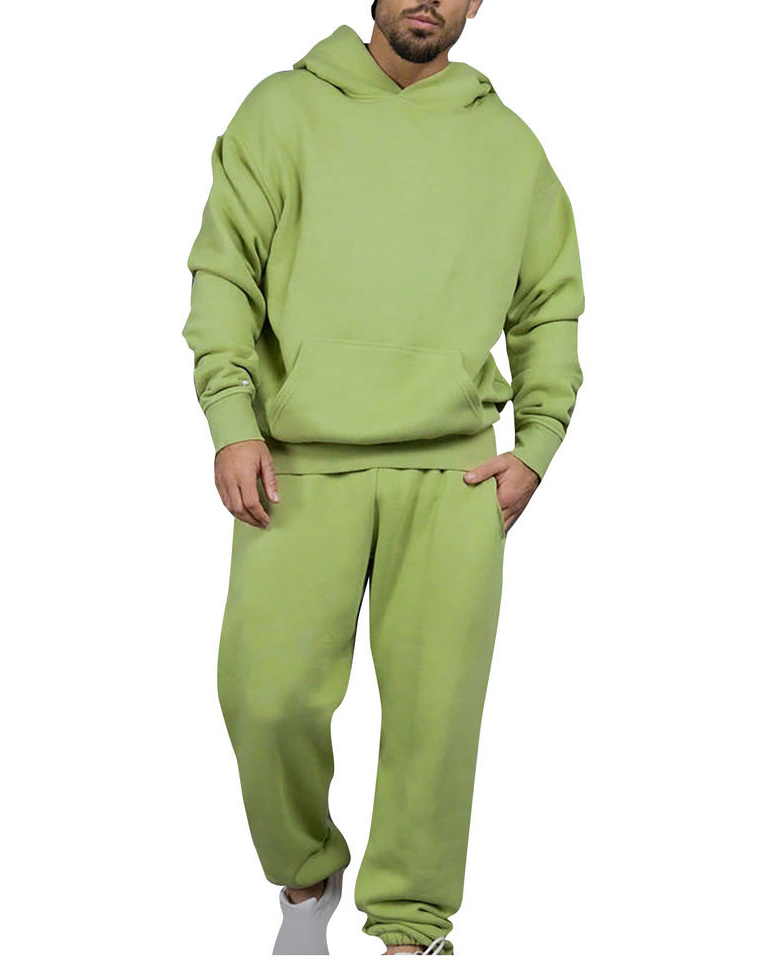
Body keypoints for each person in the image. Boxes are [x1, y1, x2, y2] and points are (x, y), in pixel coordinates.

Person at [181, 2, 585, 954]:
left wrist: (537, 444)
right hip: (297, 462)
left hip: (451, 472)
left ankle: (413, 928)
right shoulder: (282, 112)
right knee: (267, 697)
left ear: (476, 3)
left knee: (435, 720)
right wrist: (232, 420)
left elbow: (549, 304)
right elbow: (224, 272)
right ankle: (306, 874)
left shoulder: (508, 145)